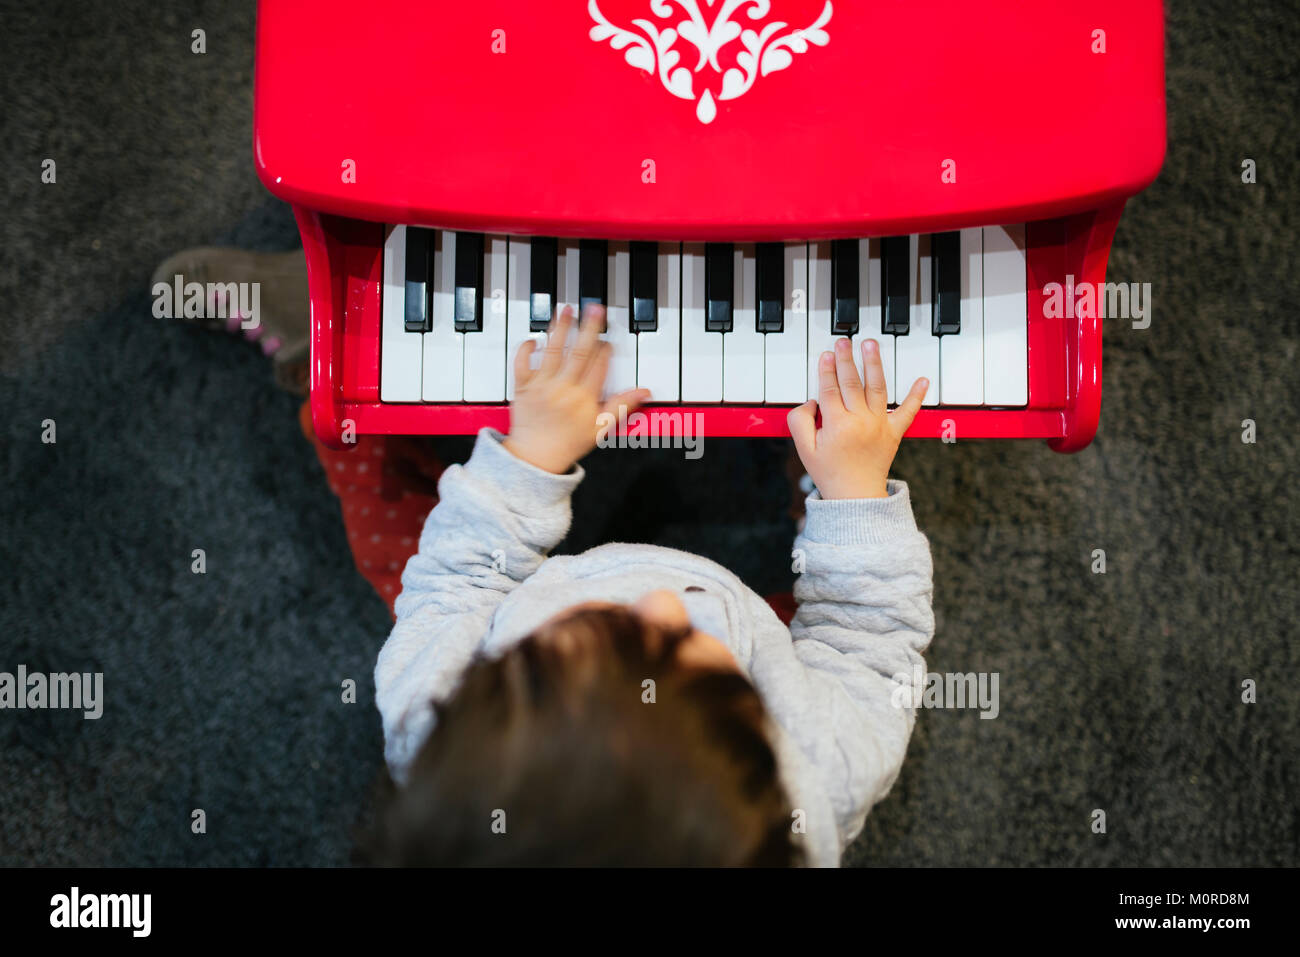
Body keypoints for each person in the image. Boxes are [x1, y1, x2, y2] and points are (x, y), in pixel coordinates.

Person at [368, 305, 934, 867]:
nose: (664, 599)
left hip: (495, 589)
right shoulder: (828, 772)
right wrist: (852, 496)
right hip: (764, 627)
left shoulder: (433, 711)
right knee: (833, 577)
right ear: (759, 746)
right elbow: (866, 638)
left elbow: (458, 579)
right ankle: (814, 487)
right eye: (690, 644)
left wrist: (528, 458)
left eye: (595, 627)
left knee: (394, 514)